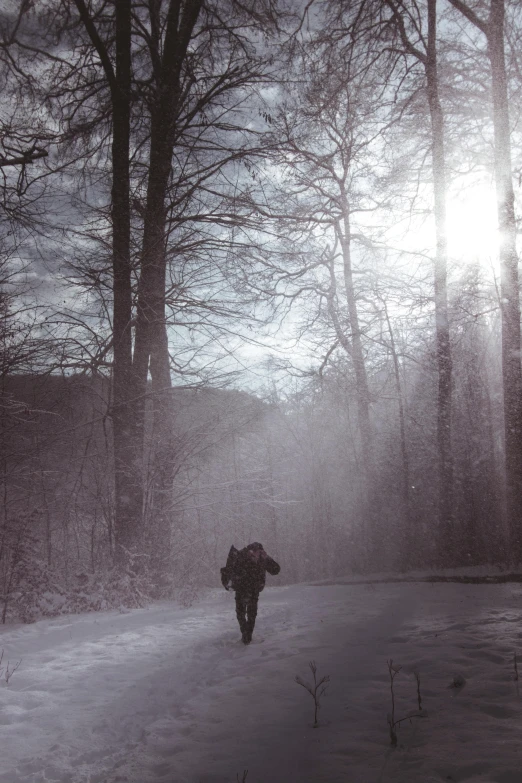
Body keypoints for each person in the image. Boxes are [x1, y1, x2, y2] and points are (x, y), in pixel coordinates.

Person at [220, 542, 280, 644]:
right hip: (241, 588)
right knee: (241, 613)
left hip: (254, 590)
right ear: (251, 551)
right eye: (257, 552)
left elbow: (276, 570)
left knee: (252, 614)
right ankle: (245, 633)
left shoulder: (262, 559)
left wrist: (267, 559)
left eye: (260, 552)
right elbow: (232, 570)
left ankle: (248, 636)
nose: (258, 554)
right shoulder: (241, 556)